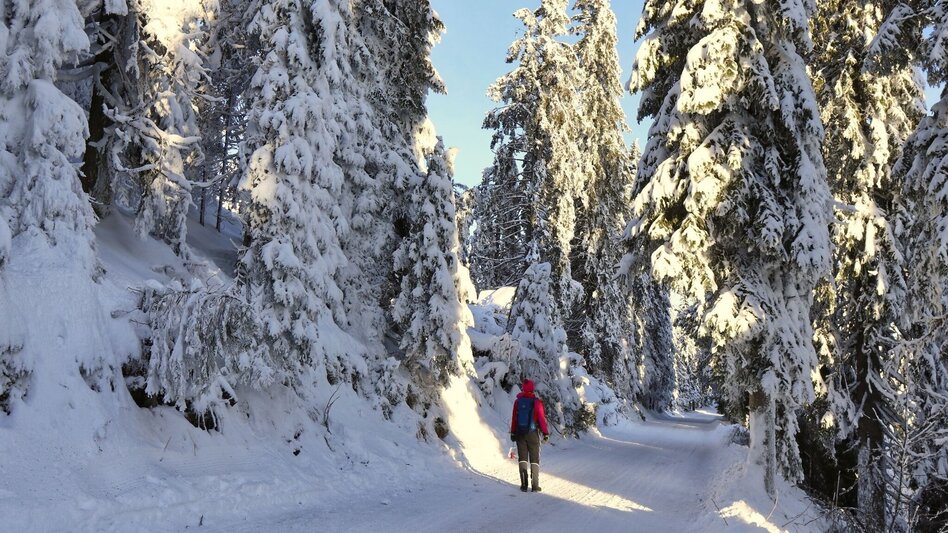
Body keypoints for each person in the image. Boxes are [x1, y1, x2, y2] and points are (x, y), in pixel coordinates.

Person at [509, 379, 550, 492]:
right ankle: (535, 485)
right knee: (534, 458)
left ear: (523, 388)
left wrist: (513, 432)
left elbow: (514, 418)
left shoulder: (518, 402)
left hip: (520, 433)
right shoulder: (537, 402)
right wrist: (545, 433)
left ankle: (524, 485)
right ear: (532, 388)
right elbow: (541, 419)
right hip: (533, 433)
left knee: (522, 458)